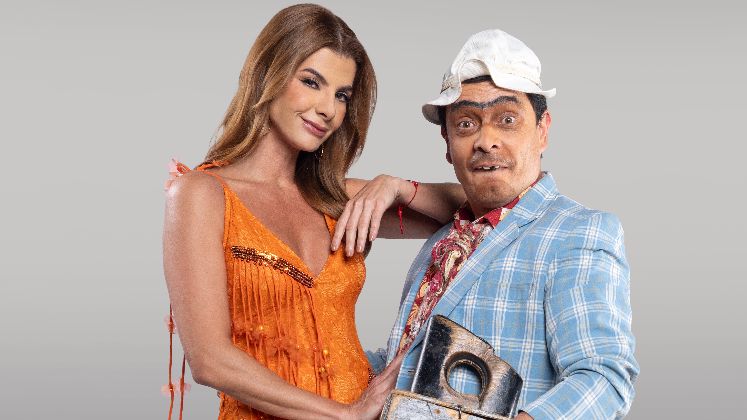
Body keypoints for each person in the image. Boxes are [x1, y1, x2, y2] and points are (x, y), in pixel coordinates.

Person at [162, 4, 463, 420]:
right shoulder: (203, 195)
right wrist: (346, 415)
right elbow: (210, 360)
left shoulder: (337, 200)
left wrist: (395, 186)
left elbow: (476, 207)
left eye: (342, 95)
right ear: (268, 75)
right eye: (311, 82)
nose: (328, 109)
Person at [358, 29, 639, 419]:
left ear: (542, 130)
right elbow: (406, 363)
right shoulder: (445, 240)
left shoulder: (578, 233)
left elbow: (603, 378)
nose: (486, 140)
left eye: (507, 119)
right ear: (446, 142)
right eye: (466, 124)